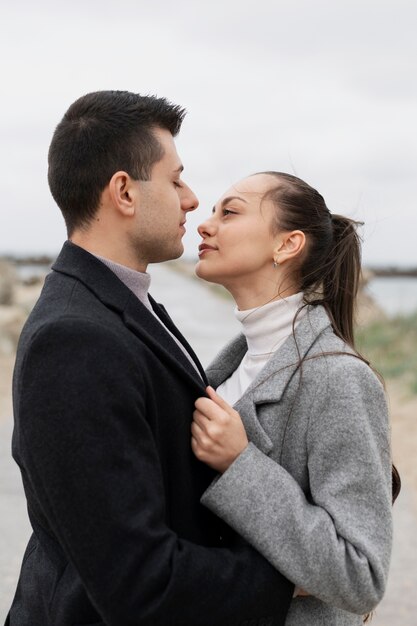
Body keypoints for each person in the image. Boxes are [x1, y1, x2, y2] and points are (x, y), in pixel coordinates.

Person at [6, 93, 294, 626]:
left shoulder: (123, 302)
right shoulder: (73, 339)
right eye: (176, 179)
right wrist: (292, 577)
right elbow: (138, 580)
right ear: (124, 192)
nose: (191, 199)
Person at [191, 171, 397, 625]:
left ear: (287, 245)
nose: (204, 225)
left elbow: (361, 576)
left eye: (229, 212)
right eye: (211, 212)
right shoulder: (228, 367)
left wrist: (240, 464)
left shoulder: (338, 379)